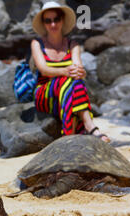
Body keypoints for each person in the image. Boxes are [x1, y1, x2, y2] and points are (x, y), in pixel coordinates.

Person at [31, 1, 110, 142]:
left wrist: (81, 72)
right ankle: (89, 126)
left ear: (62, 20)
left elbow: (78, 69)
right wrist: (65, 71)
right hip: (45, 95)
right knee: (68, 80)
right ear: (43, 23)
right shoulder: (37, 43)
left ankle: (71, 135)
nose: (53, 24)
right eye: (48, 21)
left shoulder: (72, 45)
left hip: (65, 93)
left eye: (56, 19)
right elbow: (44, 70)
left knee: (74, 81)